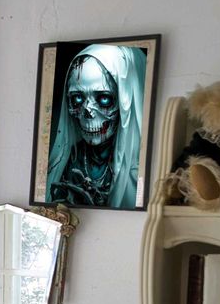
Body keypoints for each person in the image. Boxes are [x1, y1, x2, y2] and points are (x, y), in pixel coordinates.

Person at [46, 43, 147, 209]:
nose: (88, 112)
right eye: (77, 98)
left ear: (126, 101)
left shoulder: (141, 175)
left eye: (104, 99)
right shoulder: (70, 161)